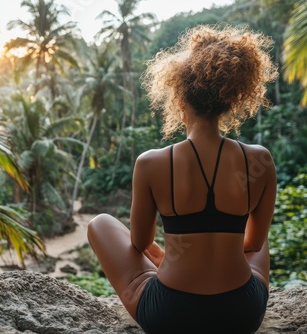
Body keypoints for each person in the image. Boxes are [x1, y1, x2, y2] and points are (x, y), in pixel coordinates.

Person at [87, 25, 278, 333]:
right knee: (260, 233)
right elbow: (253, 244)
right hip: (241, 314)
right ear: (231, 100)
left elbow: (140, 242)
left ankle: (173, 266)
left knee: (99, 224)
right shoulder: (261, 160)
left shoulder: (150, 163)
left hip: (170, 314)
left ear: (179, 100)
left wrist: (170, 255)